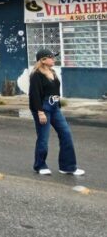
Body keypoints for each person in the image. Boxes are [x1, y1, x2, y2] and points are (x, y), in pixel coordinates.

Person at [29, 48, 84, 176]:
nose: (54, 59)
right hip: (43, 108)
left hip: (55, 108)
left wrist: (58, 105)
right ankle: (40, 165)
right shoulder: (36, 75)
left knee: (66, 134)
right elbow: (34, 95)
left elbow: (55, 91)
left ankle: (68, 167)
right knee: (43, 138)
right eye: (51, 57)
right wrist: (40, 112)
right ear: (43, 60)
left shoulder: (52, 72)